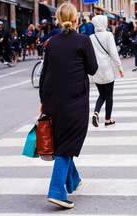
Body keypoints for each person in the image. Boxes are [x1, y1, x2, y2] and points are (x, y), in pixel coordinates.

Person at [39, 2, 98, 209]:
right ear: (76, 20)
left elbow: (44, 72)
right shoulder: (82, 40)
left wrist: (42, 101)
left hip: (52, 99)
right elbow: (92, 69)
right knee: (67, 144)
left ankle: (73, 180)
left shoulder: (52, 42)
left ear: (58, 19)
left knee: (63, 139)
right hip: (75, 99)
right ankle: (56, 191)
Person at [90, 15, 124, 128]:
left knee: (101, 95)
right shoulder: (108, 35)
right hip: (107, 68)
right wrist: (120, 68)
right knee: (109, 95)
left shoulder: (91, 37)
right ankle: (108, 120)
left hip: (97, 70)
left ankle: (96, 112)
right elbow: (114, 53)